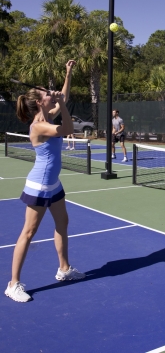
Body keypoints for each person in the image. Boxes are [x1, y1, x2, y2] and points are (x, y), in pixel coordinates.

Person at [5, 60, 86, 303]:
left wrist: (68, 73)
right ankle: (13, 284)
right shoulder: (40, 126)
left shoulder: (48, 115)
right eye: (46, 93)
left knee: (63, 222)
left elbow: (64, 94)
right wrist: (61, 101)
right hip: (39, 184)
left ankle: (64, 269)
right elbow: (69, 127)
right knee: (28, 232)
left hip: (54, 184)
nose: (51, 94)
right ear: (40, 102)